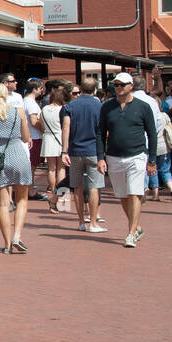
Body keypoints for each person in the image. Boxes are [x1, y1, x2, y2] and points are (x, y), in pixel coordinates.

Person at [97, 73, 158, 246]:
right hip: (114, 156)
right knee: (122, 195)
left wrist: (152, 160)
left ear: (131, 86)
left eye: (122, 84)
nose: (118, 87)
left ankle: (131, 233)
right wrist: (100, 157)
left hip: (137, 155)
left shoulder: (143, 107)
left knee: (134, 193)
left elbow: (152, 134)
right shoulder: (106, 107)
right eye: (116, 85)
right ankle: (136, 225)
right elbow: (100, 133)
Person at [0, 83, 33, 253]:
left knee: (3, 204)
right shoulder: (18, 111)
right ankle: (17, 235)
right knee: (22, 200)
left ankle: (6, 244)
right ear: (7, 95)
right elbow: (26, 137)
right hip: (18, 153)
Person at [61, 78, 106, 232]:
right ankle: (93, 222)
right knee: (94, 187)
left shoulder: (70, 106)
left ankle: (81, 221)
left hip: (74, 151)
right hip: (93, 150)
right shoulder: (99, 106)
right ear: (94, 89)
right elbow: (104, 129)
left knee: (77, 187)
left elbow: (66, 128)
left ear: (80, 88)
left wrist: (64, 150)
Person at [40, 86, 67, 211]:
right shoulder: (63, 109)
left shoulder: (44, 108)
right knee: (61, 168)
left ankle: (52, 190)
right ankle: (60, 194)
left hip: (48, 138)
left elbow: (41, 123)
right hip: (60, 137)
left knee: (51, 168)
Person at [22, 79, 45, 199]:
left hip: (29, 136)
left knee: (30, 165)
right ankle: (30, 191)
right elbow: (34, 121)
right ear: (34, 89)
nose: (42, 91)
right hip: (34, 136)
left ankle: (28, 188)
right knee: (32, 165)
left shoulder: (24, 101)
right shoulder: (31, 103)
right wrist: (44, 129)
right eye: (40, 88)